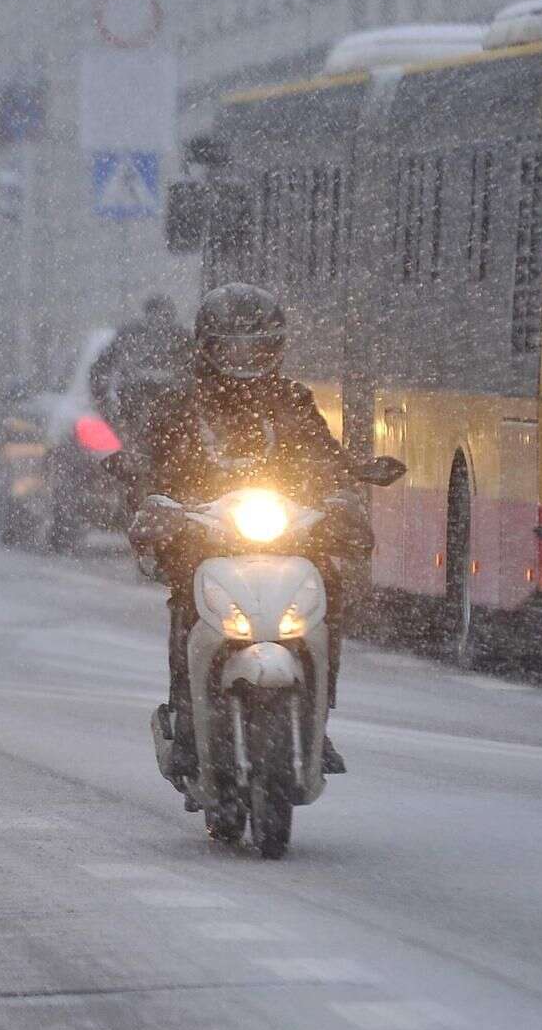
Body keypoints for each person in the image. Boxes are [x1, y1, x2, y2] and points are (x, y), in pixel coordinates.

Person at [119, 282, 367, 780]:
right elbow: (150, 466)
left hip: (286, 534)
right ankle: (185, 718)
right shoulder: (180, 406)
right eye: (232, 346)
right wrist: (156, 503)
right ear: (207, 348)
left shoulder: (293, 403)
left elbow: (324, 458)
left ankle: (318, 719)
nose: (245, 357)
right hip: (203, 535)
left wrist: (342, 492)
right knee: (189, 602)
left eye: (256, 345)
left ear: (275, 348)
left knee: (329, 593)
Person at [88, 294, 190, 439]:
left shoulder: (180, 338)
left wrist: (105, 403)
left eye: (163, 315)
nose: (158, 320)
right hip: (155, 413)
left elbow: (101, 370)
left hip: (149, 412)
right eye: (156, 314)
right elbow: (101, 370)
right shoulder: (181, 337)